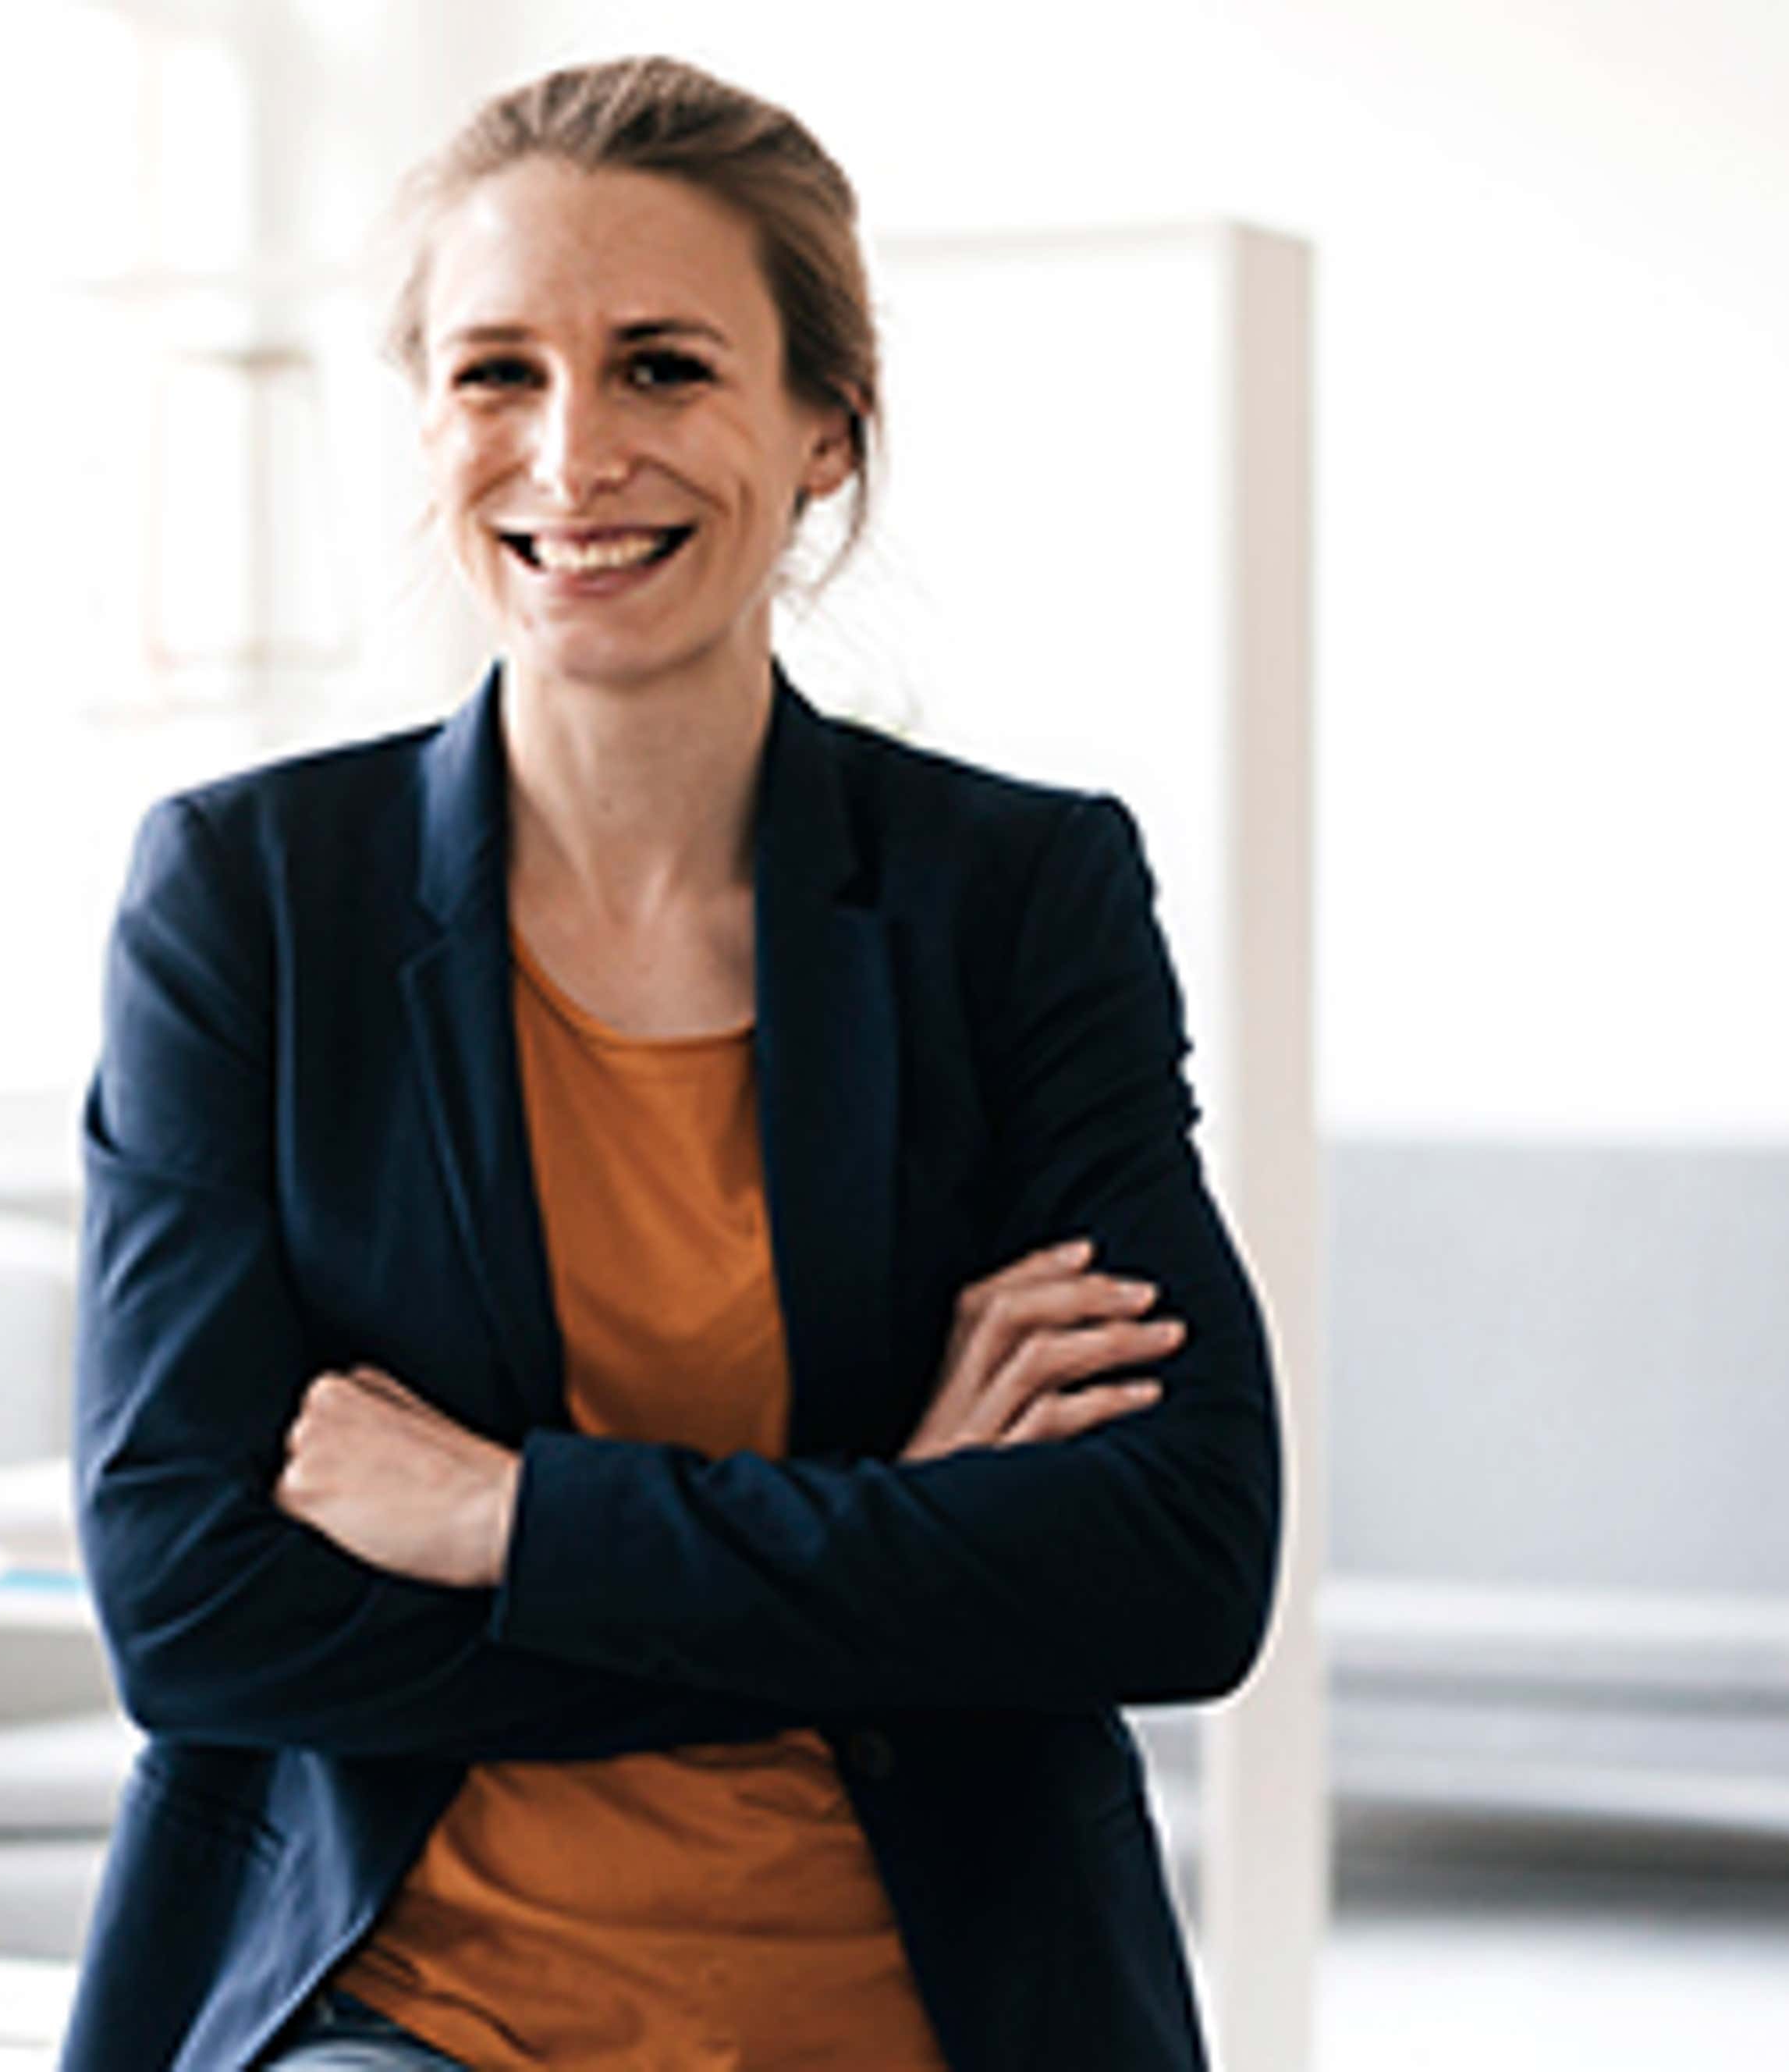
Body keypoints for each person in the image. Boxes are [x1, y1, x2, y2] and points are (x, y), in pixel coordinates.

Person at [62, 54, 1281, 2072]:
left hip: (934, 2012)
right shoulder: (251, 902)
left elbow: (1178, 1565)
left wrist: (512, 1522)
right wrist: (887, 1527)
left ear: (823, 433)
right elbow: (196, 1613)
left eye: (662, 369)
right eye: (493, 375)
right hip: (409, 2016)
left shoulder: (1017, 897)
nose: (571, 452)